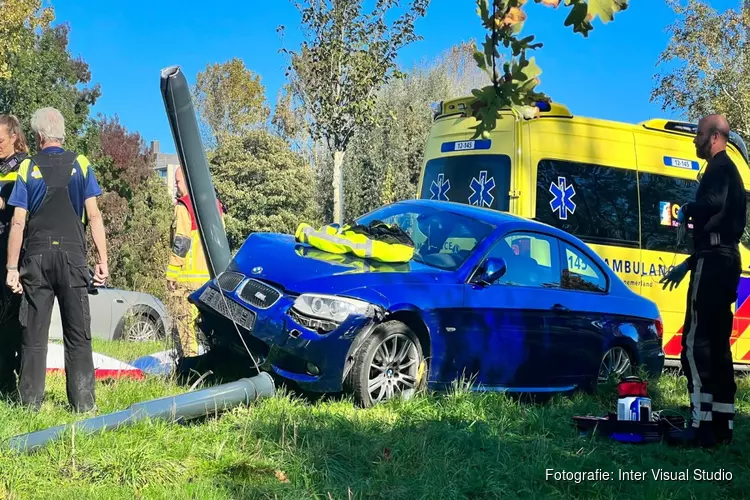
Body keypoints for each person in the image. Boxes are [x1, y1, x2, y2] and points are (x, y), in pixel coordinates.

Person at [5, 107, 108, 412]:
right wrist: (102, 260)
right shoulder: (81, 163)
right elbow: (94, 215)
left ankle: (29, 405)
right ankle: (83, 405)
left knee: (34, 336)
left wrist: (12, 268)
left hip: (36, 259)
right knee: (77, 334)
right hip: (74, 258)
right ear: (61, 134)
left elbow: (18, 223)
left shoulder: (27, 168)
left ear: (37, 136)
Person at [660, 114, 746, 447]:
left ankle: (700, 424)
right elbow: (721, 231)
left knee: (695, 344)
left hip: (713, 265)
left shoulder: (719, 168)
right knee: (718, 344)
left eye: (698, 134)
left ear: (713, 137)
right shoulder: (732, 171)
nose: (694, 140)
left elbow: (712, 205)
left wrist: (686, 209)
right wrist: (688, 264)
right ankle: (721, 426)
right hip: (721, 260)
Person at [166, 165, 223, 358]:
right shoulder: (215, 205)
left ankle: (189, 367)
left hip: (186, 280)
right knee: (211, 329)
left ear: (189, 181)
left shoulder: (184, 206)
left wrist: (172, 273)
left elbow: (181, 241)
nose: (176, 186)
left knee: (184, 327)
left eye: (178, 182)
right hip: (210, 279)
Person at [0, 115, 29, 397]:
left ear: (13, 137)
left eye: (0, 141)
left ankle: (14, 380)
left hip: (14, 249)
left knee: (13, 317)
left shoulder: (23, 165)